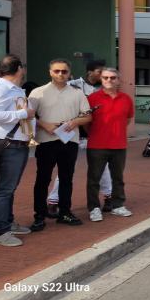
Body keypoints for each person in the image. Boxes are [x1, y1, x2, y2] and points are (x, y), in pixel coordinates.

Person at [28, 59, 92, 231]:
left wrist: (75, 122)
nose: (60, 74)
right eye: (57, 71)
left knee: (66, 179)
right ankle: (39, 215)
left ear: (69, 72)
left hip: (69, 141)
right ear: (50, 72)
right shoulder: (37, 92)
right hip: (46, 141)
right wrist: (44, 124)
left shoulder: (77, 93)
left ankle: (65, 212)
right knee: (42, 179)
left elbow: (88, 116)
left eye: (64, 71)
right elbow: (27, 116)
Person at [47, 59, 113, 216]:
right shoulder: (73, 85)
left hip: (96, 136)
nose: (103, 75)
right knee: (66, 169)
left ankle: (109, 197)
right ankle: (53, 201)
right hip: (74, 135)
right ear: (90, 72)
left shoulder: (105, 89)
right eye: (100, 72)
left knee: (103, 169)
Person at [0, 56, 36, 246]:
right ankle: (1, 232)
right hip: (8, 146)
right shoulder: (0, 89)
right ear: (19, 68)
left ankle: (8, 222)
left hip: (17, 144)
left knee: (9, 188)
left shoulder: (12, 89)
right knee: (4, 189)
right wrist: (23, 114)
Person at [86, 68, 135, 222]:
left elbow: (127, 120)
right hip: (96, 145)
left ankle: (117, 205)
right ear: (101, 79)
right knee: (94, 179)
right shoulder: (92, 98)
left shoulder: (126, 99)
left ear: (118, 80)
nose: (109, 80)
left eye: (113, 78)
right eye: (106, 77)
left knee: (118, 178)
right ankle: (94, 208)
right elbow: (87, 123)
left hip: (119, 145)